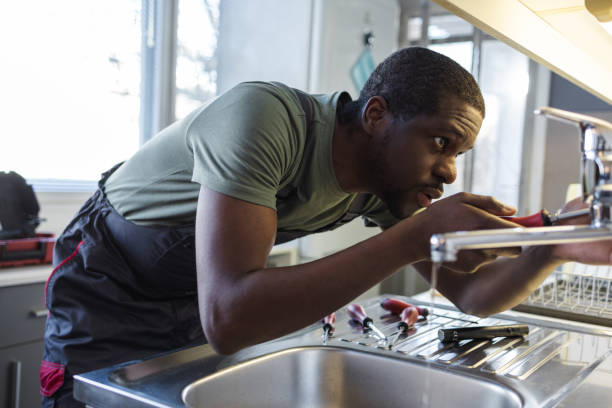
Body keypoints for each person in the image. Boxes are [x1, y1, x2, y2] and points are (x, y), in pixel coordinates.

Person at [40, 47, 610, 407]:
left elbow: (469, 296)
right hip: (106, 282)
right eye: (441, 142)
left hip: (188, 297)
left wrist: (549, 247)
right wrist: (414, 234)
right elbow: (232, 317)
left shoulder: (381, 185)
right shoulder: (264, 120)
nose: (450, 169)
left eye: (459, 153)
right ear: (377, 114)